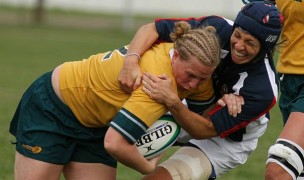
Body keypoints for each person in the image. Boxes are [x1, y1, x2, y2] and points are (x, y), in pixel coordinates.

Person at [8, 21, 222, 180]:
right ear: (175, 56)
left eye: (202, 78)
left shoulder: (200, 78)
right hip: (54, 108)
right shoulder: (153, 84)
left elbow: (201, 124)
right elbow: (115, 144)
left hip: (98, 124)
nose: (194, 85)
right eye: (190, 75)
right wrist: (148, 166)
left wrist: (227, 101)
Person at [118, 2, 282, 179]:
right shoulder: (216, 29)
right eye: (238, 35)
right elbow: (152, 29)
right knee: (113, 133)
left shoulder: (262, 89)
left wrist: (172, 101)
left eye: (250, 42)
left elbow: (204, 130)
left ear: (266, 47)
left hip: (223, 140)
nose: (239, 46)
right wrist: (130, 61)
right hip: (189, 105)